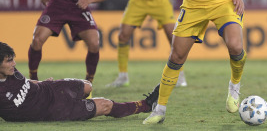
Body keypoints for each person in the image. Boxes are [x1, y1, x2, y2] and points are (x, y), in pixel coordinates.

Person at [0, 42, 159, 122]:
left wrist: (40, 82)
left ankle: (82, 106)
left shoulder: (11, 71)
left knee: (87, 86)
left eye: (13, 59)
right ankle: (145, 105)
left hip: (48, 89)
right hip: (54, 110)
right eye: (9, 61)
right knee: (105, 105)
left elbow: (25, 83)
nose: (14, 64)